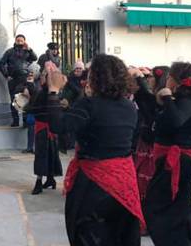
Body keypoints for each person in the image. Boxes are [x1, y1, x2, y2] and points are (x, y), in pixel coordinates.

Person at [46, 55, 144, 245]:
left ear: (96, 78)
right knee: (120, 235)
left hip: (94, 180)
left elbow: (58, 125)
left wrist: (53, 90)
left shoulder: (90, 105)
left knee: (87, 234)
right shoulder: (130, 106)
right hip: (124, 178)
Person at [143, 62, 191, 246]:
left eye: (170, 77)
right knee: (178, 208)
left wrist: (168, 99)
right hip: (173, 161)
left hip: (178, 162)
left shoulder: (186, 103)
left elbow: (175, 121)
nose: (167, 80)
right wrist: (141, 83)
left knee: (163, 211)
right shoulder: (179, 102)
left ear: (178, 82)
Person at [131, 66, 169, 202]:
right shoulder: (150, 97)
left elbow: (147, 99)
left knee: (150, 178)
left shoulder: (163, 99)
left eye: (151, 76)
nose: (149, 79)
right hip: (145, 141)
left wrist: (140, 78)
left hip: (155, 145)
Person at [26, 63, 63, 194]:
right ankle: (50, 179)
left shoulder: (44, 92)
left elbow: (34, 108)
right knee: (51, 154)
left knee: (42, 155)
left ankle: (39, 181)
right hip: (50, 129)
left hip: (43, 128)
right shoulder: (55, 92)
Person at [0, 34, 37, 127]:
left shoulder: (27, 52)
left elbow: (35, 58)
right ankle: (15, 121)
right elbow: (1, 64)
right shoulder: (9, 52)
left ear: (24, 42)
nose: (19, 42)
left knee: (24, 99)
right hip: (13, 79)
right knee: (13, 100)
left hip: (24, 79)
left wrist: (29, 49)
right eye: (18, 40)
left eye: (21, 41)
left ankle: (25, 121)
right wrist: (6, 75)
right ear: (15, 41)